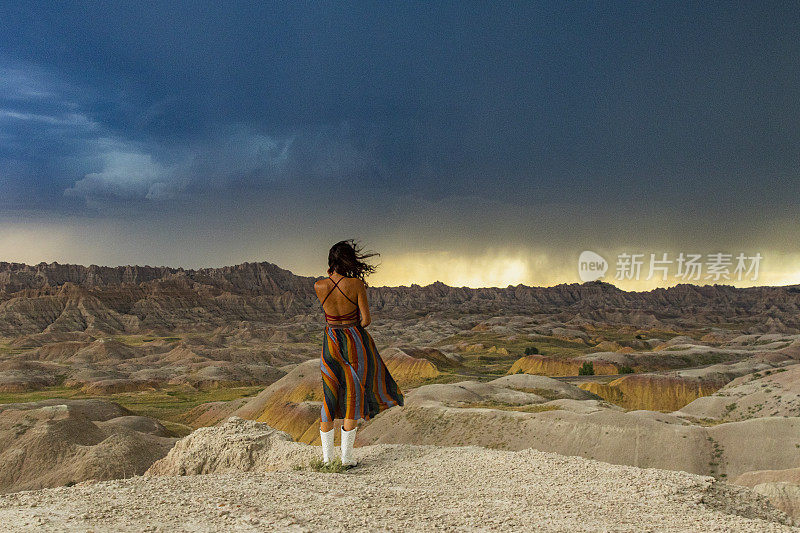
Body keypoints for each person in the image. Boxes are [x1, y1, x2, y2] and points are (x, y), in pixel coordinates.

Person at [314, 240, 404, 467]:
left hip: (330, 341)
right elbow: (366, 320)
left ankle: (327, 460)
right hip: (353, 340)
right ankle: (346, 459)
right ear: (349, 260)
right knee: (352, 395)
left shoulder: (318, 286)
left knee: (329, 394)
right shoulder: (355, 284)